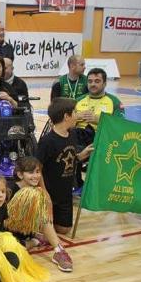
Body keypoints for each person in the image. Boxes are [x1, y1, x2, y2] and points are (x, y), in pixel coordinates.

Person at [5, 157, 73, 272]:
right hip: (8, 230)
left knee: (43, 218)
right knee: (12, 250)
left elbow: (43, 217)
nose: (36, 176)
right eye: (31, 172)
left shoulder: (36, 191)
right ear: (20, 175)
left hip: (25, 230)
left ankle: (59, 251)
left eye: (37, 172)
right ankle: (35, 241)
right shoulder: (9, 189)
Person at [37, 98, 93, 235]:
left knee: (64, 229)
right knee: (45, 228)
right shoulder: (47, 141)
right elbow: (37, 168)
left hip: (66, 192)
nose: (77, 115)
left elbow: (69, 159)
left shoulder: (72, 134)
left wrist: (81, 155)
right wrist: (44, 193)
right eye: (75, 112)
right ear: (66, 117)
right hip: (50, 192)